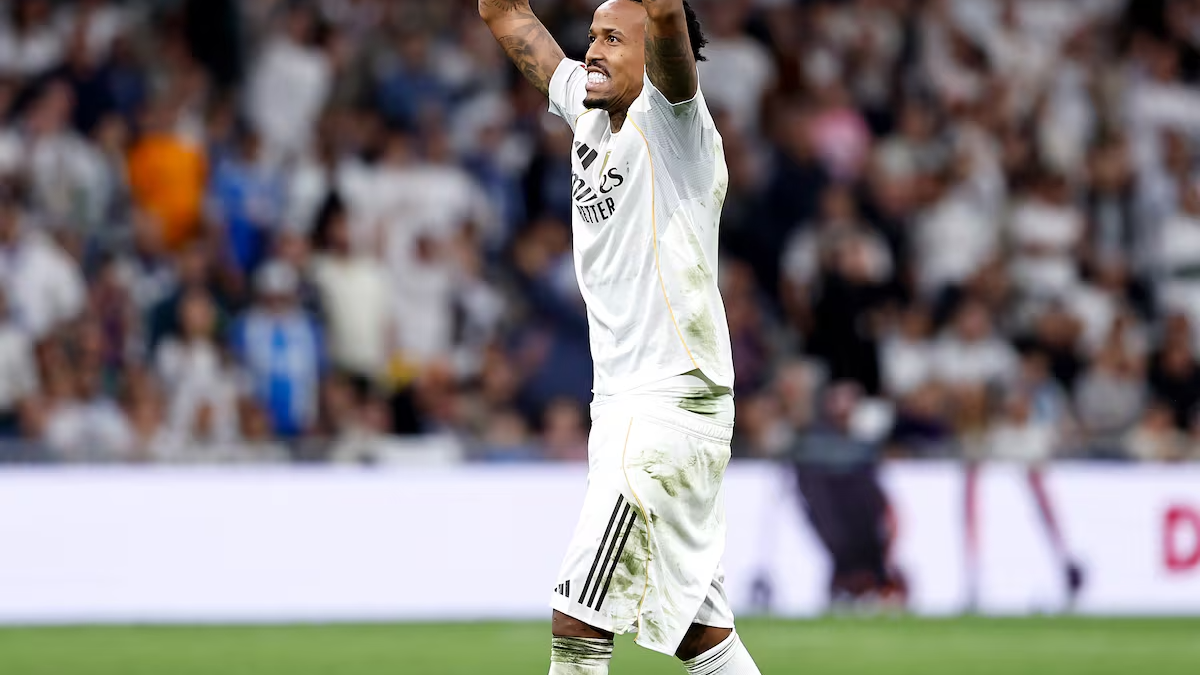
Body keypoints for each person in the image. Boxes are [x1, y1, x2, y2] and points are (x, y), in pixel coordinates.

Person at [480, 1, 760, 673]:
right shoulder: (587, 111)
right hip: (627, 407)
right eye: (592, 35)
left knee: (578, 617)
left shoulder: (675, 124)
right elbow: (505, 16)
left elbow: (664, 11)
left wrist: (658, 23)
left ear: (657, 56)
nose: (595, 49)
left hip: (666, 404)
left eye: (614, 38)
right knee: (703, 634)